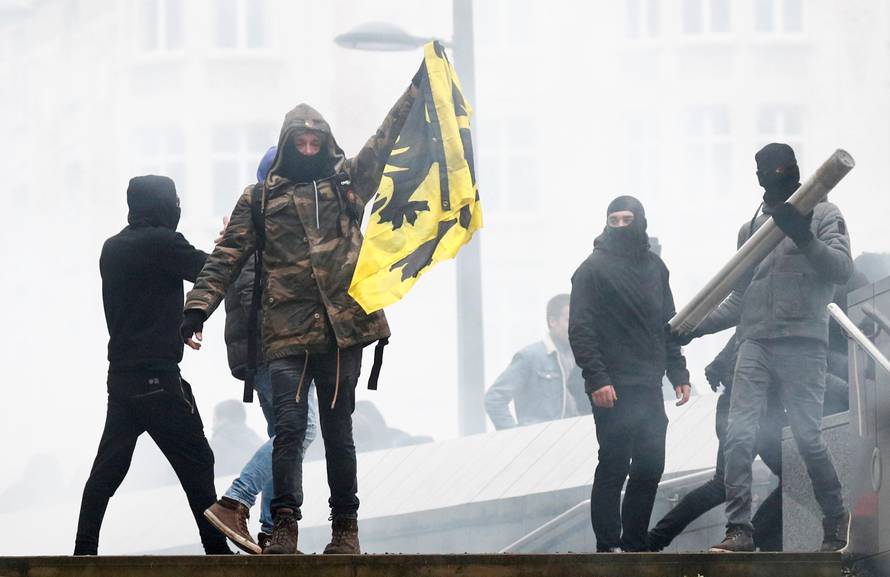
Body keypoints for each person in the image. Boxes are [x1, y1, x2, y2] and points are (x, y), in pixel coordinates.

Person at [180, 77, 419, 554]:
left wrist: (417, 90)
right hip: (285, 333)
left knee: (338, 433)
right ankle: (284, 527)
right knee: (289, 429)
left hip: (341, 330)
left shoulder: (349, 185)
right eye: (300, 142)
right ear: (288, 144)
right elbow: (226, 256)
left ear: (326, 143)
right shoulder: (260, 198)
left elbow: (383, 141)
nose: (308, 149)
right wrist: (196, 308)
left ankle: (345, 531)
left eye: (316, 142)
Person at [683, 143, 853, 553]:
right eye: (765, 169)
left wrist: (804, 235)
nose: (773, 175)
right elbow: (741, 297)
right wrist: (692, 328)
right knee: (740, 434)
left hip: (803, 342)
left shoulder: (825, 214)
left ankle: (835, 515)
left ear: (795, 169)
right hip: (755, 342)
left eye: (780, 168)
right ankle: (739, 529)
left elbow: (841, 269)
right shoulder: (751, 228)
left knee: (808, 437)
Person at [74, 175, 230, 555]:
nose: (178, 207)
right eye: (175, 200)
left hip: (122, 380)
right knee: (196, 459)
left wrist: (179, 324)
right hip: (157, 378)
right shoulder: (162, 242)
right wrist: (228, 244)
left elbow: (144, 302)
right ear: (163, 203)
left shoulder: (112, 248)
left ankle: (83, 551)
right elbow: (212, 271)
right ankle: (217, 551)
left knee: (109, 469)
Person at [203, 147, 319, 554]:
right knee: (300, 430)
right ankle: (236, 500)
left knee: (282, 434)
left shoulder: (258, 224)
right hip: (274, 350)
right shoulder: (263, 226)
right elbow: (256, 296)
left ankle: (272, 529)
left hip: (267, 351)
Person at [569, 195, 691, 552]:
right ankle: (608, 546)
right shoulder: (590, 270)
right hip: (612, 385)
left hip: (649, 384)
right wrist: (597, 378)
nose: (621, 227)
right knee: (614, 463)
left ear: (640, 221)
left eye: (627, 220)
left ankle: (635, 544)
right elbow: (581, 330)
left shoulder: (656, 267)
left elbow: (668, 324)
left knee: (651, 464)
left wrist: (678, 372)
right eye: (614, 220)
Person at [647, 334, 785, 552]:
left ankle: (755, 535)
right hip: (747, 409)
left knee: (790, 476)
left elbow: (716, 367)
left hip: (753, 409)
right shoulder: (767, 321)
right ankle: (655, 539)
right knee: (724, 483)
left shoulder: (754, 321)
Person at [484, 294, 586, 429]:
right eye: (569, 320)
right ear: (553, 321)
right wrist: (515, 436)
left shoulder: (584, 359)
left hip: (575, 442)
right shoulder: (530, 357)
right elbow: (494, 398)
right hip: (541, 444)